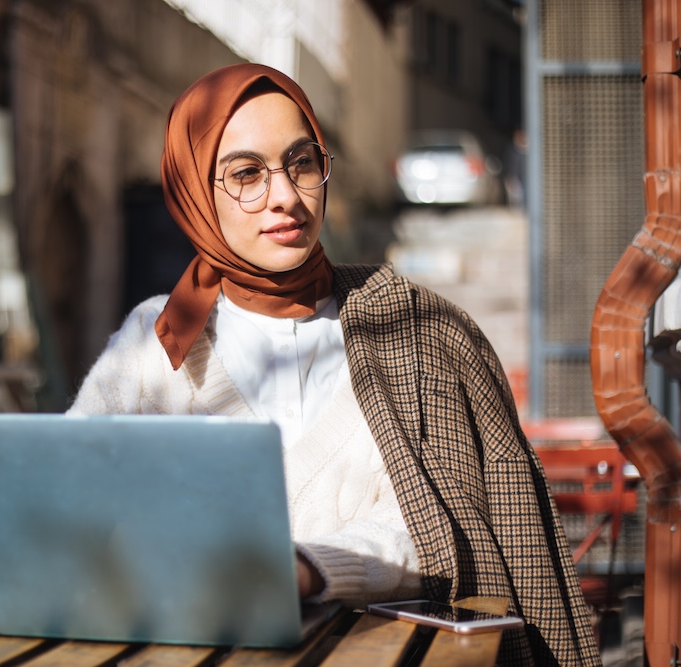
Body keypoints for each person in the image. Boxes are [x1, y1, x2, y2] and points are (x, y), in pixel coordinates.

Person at [68, 63, 600, 666]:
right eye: (246, 173)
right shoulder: (153, 340)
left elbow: (436, 526)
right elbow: (68, 502)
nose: (287, 196)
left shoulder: (414, 333)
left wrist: (303, 569)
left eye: (303, 162)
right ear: (194, 190)